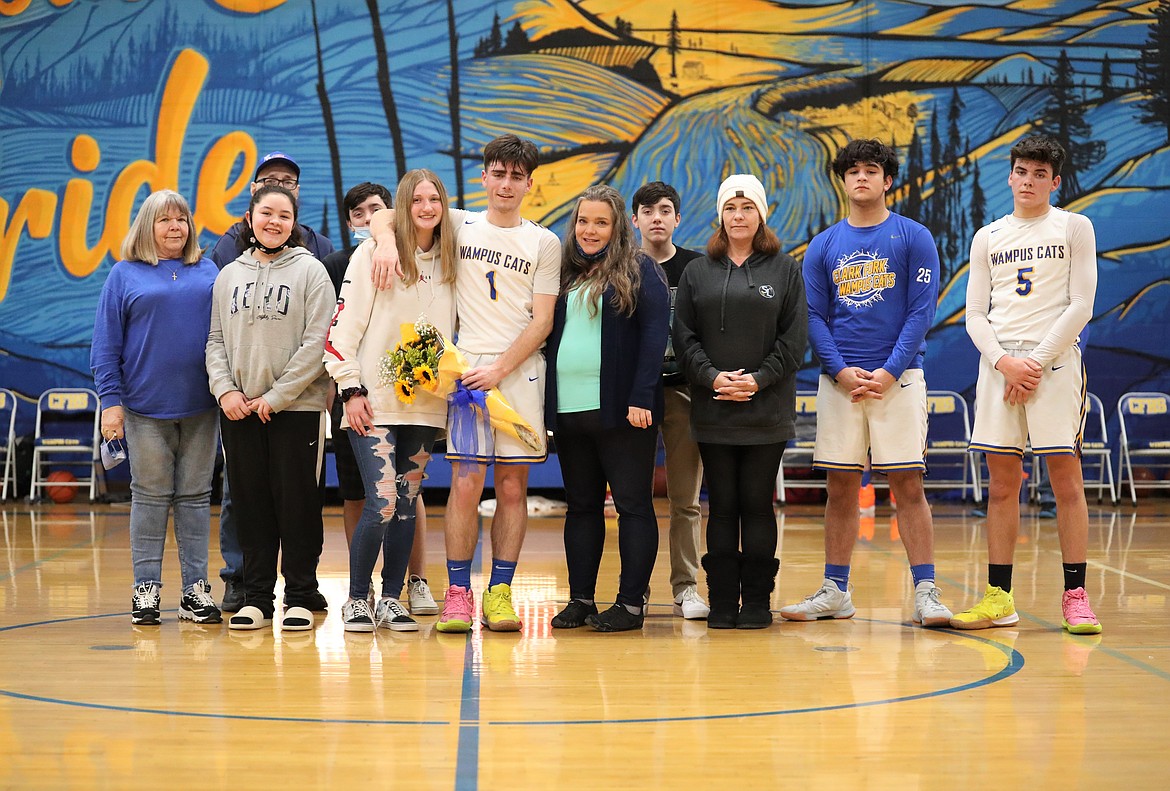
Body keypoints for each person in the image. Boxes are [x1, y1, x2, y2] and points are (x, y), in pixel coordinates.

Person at [370, 134, 561, 634]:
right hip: (464, 374)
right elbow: (387, 214)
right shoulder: (459, 222)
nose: (505, 183)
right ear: (483, 177)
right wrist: (387, 241)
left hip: (518, 376)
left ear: (529, 184)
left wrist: (499, 370)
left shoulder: (544, 241)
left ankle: (499, 593)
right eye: (497, 173)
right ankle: (458, 594)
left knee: (515, 487)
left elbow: (542, 322)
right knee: (465, 482)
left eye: (516, 176)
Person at [778, 139, 953, 627]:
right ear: (843, 179)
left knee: (907, 485)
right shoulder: (824, 244)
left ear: (887, 180)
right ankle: (836, 589)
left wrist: (890, 371)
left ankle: (926, 592)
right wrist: (839, 369)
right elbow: (813, 315)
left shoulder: (913, 236)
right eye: (852, 170)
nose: (861, 177)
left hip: (898, 380)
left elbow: (922, 310)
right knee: (839, 486)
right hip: (841, 383)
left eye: (871, 170)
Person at [954, 134, 1102, 635]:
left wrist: (1033, 362)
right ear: (1011, 175)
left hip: (1054, 366)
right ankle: (999, 598)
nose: (1029, 181)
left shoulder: (1074, 227)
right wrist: (1003, 363)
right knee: (1001, 486)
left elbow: (1082, 304)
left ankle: (1076, 596)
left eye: (1041, 174)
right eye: (1023, 171)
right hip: (1000, 368)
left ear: (1054, 182)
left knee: (1066, 481)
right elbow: (974, 314)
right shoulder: (987, 236)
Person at [323, 170, 458, 633]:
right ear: (401, 206)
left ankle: (391, 598)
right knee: (379, 501)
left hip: (424, 403)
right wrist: (351, 390)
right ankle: (357, 599)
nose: (425, 207)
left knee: (406, 502)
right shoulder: (371, 254)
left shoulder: (454, 256)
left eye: (433, 198)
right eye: (416, 199)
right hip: (373, 402)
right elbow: (342, 332)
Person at [672, 174, 807, 630]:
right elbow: (684, 338)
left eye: (747, 207)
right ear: (720, 215)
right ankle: (723, 600)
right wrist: (712, 378)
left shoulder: (784, 269)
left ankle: (756, 602)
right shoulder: (698, 271)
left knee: (756, 503)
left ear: (761, 214)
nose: (738, 216)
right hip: (713, 409)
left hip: (765, 410)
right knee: (722, 504)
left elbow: (794, 342)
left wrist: (757, 380)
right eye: (731, 208)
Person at [206, 185, 335, 631]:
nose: (274, 221)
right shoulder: (228, 276)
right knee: (250, 505)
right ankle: (256, 598)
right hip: (240, 411)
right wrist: (226, 392)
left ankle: (300, 594)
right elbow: (215, 341)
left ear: (294, 223)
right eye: (266, 213)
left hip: (296, 410)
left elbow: (319, 343)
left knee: (298, 505)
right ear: (250, 217)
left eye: (284, 215)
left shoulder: (312, 272)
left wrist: (276, 398)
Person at [90, 190, 221, 626]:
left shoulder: (208, 271)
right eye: (164, 220)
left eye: (181, 220)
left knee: (195, 497)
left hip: (204, 407)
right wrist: (112, 404)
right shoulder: (124, 275)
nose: (175, 228)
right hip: (143, 409)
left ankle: (194, 591)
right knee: (149, 497)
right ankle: (145, 590)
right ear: (147, 226)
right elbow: (106, 345)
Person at [545, 185, 669, 632]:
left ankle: (631, 604)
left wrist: (641, 397)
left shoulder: (642, 270)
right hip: (571, 412)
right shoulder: (564, 272)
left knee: (633, 506)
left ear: (617, 226)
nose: (590, 230)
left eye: (601, 222)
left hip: (623, 413)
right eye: (583, 221)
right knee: (580, 508)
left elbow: (655, 339)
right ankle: (581, 599)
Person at [630, 181, 709, 620]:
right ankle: (635, 589)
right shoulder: (623, 268)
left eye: (665, 210)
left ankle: (686, 587)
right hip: (635, 398)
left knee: (685, 499)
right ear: (635, 219)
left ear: (678, 218)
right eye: (648, 210)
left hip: (684, 391)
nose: (656, 217)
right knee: (635, 501)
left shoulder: (698, 269)